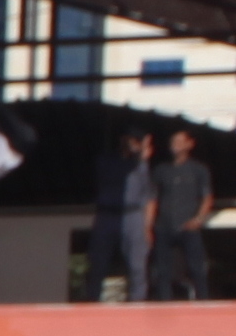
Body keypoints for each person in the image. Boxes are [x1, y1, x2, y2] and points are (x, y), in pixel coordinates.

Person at [148, 127, 220, 301]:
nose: (175, 145)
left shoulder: (199, 169)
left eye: (180, 141)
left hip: (189, 226)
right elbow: (152, 199)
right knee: (163, 271)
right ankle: (165, 307)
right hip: (164, 226)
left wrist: (198, 219)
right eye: (173, 141)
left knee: (197, 269)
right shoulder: (161, 170)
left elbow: (207, 197)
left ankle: (203, 304)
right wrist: (148, 226)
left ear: (190, 144)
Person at [92, 133, 153, 303]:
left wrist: (143, 159)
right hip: (107, 215)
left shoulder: (142, 165)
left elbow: (148, 195)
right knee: (99, 262)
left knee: (137, 265)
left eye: (137, 141)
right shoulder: (106, 160)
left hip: (133, 215)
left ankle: (138, 302)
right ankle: (92, 301)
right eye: (131, 141)